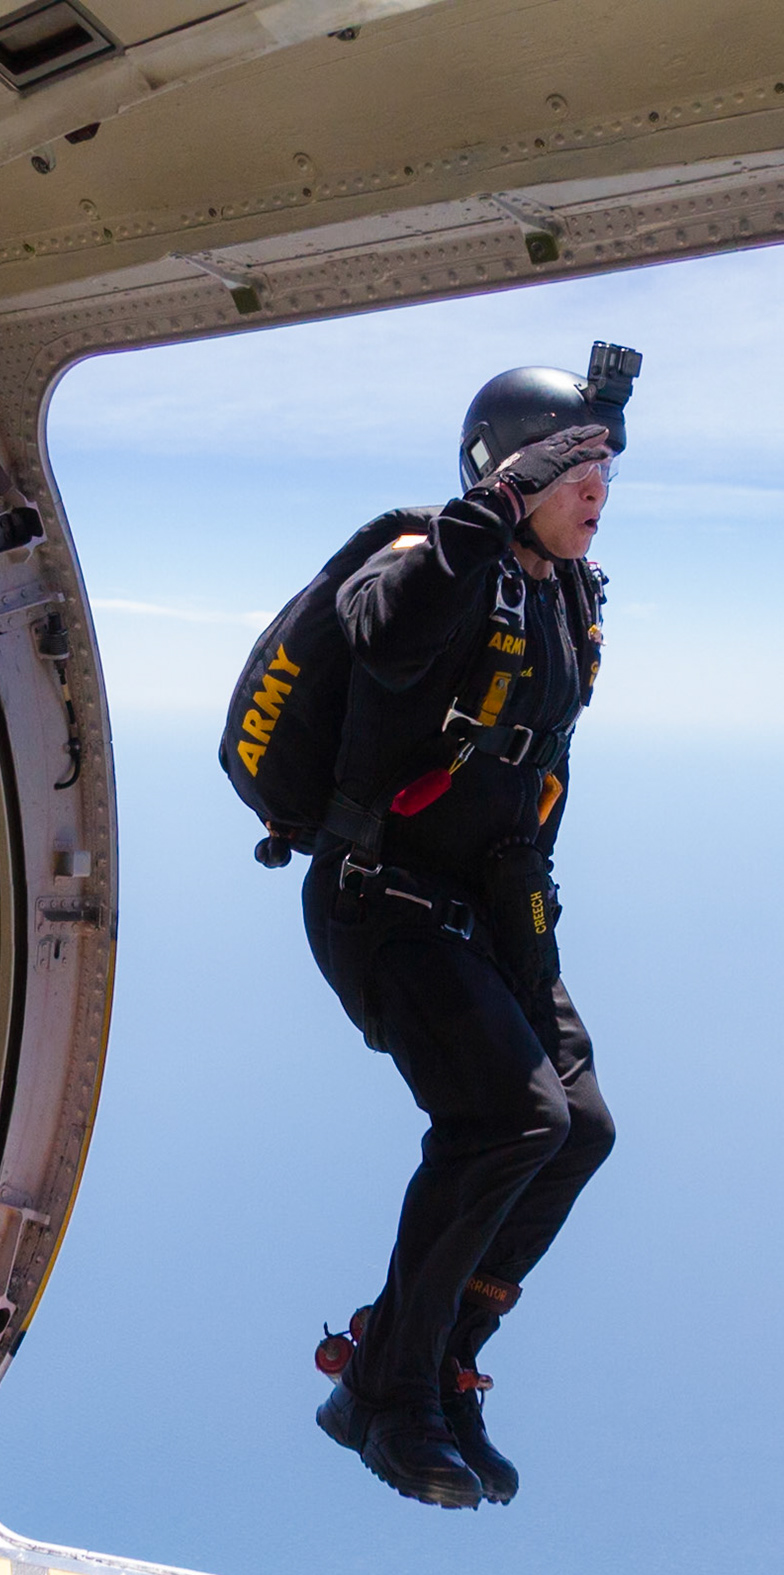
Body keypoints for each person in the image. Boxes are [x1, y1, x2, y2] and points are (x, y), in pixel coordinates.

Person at [304, 357, 636, 1510]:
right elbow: (382, 632)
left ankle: (439, 1362)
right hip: (384, 905)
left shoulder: (565, 593)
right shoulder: (427, 559)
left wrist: (531, 921)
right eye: (572, 466)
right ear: (512, 471)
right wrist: (489, 509)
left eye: (605, 468)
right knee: (508, 1120)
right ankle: (383, 1397)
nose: (596, 489)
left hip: (493, 911)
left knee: (578, 1129)